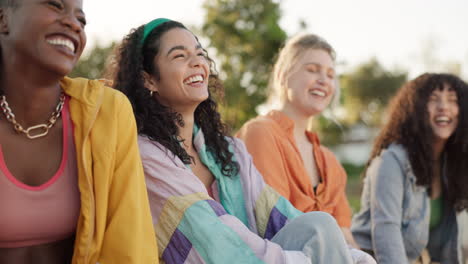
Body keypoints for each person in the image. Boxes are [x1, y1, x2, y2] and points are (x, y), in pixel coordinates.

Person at [108, 18, 376, 264]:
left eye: (200, 53)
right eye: (180, 55)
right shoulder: (145, 154)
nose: (197, 62)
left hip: (264, 257)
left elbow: (280, 217)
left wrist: (354, 258)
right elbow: (216, 244)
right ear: (148, 80)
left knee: (319, 225)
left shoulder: (229, 151)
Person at [0, 0, 158, 263]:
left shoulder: (107, 113)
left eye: (81, 19)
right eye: (54, 5)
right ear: (3, 19)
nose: (74, 23)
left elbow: (131, 247)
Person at [236, 33, 358, 248]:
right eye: (312, 70)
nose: (323, 80)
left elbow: (346, 237)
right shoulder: (260, 133)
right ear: (283, 76)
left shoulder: (331, 162)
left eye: (330, 75)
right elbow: (274, 225)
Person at [351, 73, 468, 264]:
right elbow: (387, 234)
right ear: (415, 109)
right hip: (367, 259)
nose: (444, 107)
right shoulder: (392, 160)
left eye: (453, 100)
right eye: (433, 99)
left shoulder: (452, 166)